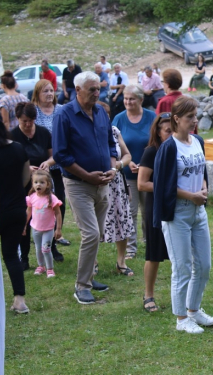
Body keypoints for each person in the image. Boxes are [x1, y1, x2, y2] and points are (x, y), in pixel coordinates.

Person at [153, 96, 213, 334]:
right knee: (182, 267)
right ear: (176, 118)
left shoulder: (197, 141)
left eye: (195, 115)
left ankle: (194, 310)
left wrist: (203, 188)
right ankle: (181, 319)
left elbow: (201, 170)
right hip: (177, 214)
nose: (194, 120)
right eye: (190, 117)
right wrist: (191, 196)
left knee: (204, 265)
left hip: (198, 211)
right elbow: (163, 187)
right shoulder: (169, 147)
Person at [52, 71, 118, 305]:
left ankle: (89, 277)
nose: (96, 93)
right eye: (91, 89)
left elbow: (111, 143)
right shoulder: (64, 115)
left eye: (98, 89)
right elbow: (60, 154)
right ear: (77, 90)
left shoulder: (101, 112)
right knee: (90, 233)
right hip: (79, 184)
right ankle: (81, 287)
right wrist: (87, 176)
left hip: (103, 182)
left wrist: (112, 168)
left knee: (97, 234)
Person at [112, 84, 156, 259]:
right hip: (127, 174)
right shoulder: (118, 119)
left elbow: (158, 142)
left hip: (149, 173)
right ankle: (131, 248)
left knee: (149, 210)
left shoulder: (152, 117)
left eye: (131, 98)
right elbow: (113, 145)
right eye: (125, 98)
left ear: (140, 100)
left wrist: (145, 163)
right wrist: (126, 162)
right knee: (130, 211)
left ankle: (149, 241)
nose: (128, 102)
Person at [10, 102, 55, 270]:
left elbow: (53, 156)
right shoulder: (12, 136)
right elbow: (8, 161)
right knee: (25, 217)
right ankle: (24, 256)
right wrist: (25, 167)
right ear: (18, 119)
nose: (28, 124)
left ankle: (52, 248)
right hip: (22, 183)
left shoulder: (43, 133)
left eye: (31, 120)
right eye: (24, 121)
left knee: (47, 215)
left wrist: (47, 162)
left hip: (43, 183)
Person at [138, 113, 172, 312]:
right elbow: (142, 184)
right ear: (158, 133)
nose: (171, 134)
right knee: (154, 254)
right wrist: (167, 188)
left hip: (176, 205)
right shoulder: (151, 151)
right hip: (156, 207)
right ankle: (148, 295)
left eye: (173, 130)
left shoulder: (179, 149)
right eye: (168, 131)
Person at [32, 79, 68, 257]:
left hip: (58, 165)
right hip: (39, 167)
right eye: (45, 91)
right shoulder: (34, 112)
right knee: (38, 205)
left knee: (58, 203)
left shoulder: (61, 110)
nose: (49, 94)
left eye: (52, 90)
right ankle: (38, 241)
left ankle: (53, 243)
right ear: (37, 93)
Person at [0, 118, 31, 314]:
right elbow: (26, 177)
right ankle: (20, 300)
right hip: (15, 209)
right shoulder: (18, 148)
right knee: (11, 255)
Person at [101, 125, 135, 276]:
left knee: (122, 220)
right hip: (95, 181)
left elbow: (127, 155)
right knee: (93, 223)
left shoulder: (114, 131)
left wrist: (119, 165)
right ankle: (93, 263)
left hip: (116, 183)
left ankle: (121, 262)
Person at [23, 169, 62, 278]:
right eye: (36, 182)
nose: (38, 185)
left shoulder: (52, 198)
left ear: (48, 184)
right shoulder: (32, 197)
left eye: (42, 182)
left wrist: (58, 229)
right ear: (32, 184)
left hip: (48, 230)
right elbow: (28, 211)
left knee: (46, 249)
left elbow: (58, 214)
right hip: (36, 229)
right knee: (38, 249)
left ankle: (49, 269)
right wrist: (24, 225)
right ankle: (41, 266)